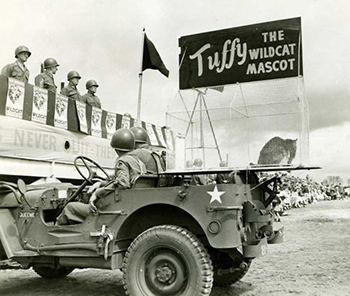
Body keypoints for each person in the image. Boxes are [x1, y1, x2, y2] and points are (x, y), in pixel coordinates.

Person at [56, 128, 146, 225]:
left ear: (116, 148)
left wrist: (97, 193)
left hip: (113, 207)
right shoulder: (139, 162)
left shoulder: (122, 161)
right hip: (127, 203)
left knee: (69, 208)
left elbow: (123, 183)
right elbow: (122, 180)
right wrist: (100, 183)